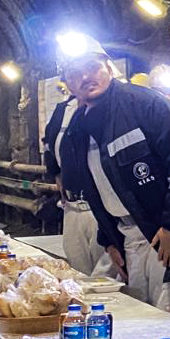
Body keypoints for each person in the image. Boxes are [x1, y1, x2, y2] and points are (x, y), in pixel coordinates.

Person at [56, 34, 170, 309]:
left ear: (108, 67)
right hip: (127, 235)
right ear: (67, 82)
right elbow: (96, 189)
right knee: (141, 314)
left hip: (166, 235)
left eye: (92, 68)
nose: (85, 77)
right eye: (75, 73)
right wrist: (109, 240)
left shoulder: (145, 104)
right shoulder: (78, 128)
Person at [42, 87, 113, 277]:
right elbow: (48, 143)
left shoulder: (112, 107)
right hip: (72, 207)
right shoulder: (63, 109)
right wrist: (56, 174)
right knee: (77, 272)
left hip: (100, 207)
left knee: (104, 275)